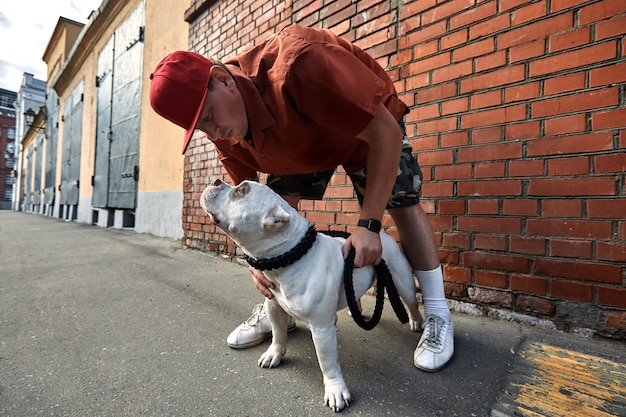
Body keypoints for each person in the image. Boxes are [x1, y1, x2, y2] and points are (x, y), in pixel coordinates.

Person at [149, 23, 453, 372]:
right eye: (199, 129)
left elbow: (384, 133)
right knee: (278, 214)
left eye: (208, 117)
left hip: (364, 133)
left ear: (222, 79)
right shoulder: (224, 131)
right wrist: (255, 262)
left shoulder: (300, 65)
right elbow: (247, 211)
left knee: (402, 203)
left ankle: (437, 313)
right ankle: (278, 306)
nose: (213, 132)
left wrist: (369, 226)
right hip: (294, 144)